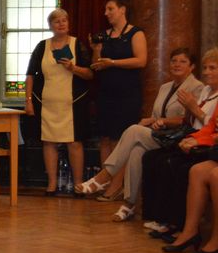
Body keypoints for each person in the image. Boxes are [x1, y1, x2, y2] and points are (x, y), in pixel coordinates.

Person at [75, 47, 202, 220]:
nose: (177, 65)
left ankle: (104, 176)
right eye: (174, 61)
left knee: (134, 130)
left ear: (192, 66)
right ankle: (129, 204)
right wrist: (152, 121)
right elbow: (157, 115)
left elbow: (191, 119)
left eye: (183, 61)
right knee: (136, 150)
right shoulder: (165, 87)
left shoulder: (197, 87)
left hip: (179, 138)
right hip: (161, 135)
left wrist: (163, 121)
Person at [140, 48, 218, 238]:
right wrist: (190, 113)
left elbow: (210, 125)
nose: (207, 72)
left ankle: (179, 223)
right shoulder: (206, 90)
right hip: (195, 136)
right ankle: (159, 217)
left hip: (207, 145)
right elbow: (193, 122)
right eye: (205, 68)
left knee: (175, 165)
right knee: (152, 157)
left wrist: (192, 109)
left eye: (212, 68)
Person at [24, 8, 93, 196]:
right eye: (57, 21)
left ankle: (78, 185)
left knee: (74, 143)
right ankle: (52, 184)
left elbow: (90, 74)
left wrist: (73, 67)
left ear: (68, 24)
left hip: (73, 103)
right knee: (49, 142)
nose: (61, 24)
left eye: (64, 20)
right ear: (50, 26)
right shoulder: (42, 46)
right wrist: (28, 100)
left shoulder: (78, 44)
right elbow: (30, 75)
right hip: (47, 103)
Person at [89, 0, 148, 200]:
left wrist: (113, 63)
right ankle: (105, 181)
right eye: (105, 9)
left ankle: (117, 185)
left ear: (122, 10)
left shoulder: (136, 33)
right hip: (106, 94)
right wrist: (96, 51)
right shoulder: (103, 35)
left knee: (119, 140)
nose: (106, 13)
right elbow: (96, 65)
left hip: (127, 95)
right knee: (105, 138)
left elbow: (141, 60)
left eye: (110, 9)